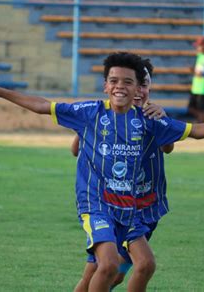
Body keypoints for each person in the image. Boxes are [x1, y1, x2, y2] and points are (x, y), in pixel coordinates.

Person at [0, 52, 204, 292]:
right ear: (106, 85)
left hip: (133, 208)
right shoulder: (90, 112)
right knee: (105, 267)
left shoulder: (150, 120)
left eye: (129, 82)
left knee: (143, 265)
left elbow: (195, 131)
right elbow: (43, 106)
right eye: (114, 81)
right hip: (97, 204)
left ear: (138, 89)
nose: (121, 86)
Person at [73, 60, 174, 291]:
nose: (139, 91)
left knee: (115, 275)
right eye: (136, 84)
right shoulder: (104, 117)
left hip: (146, 207)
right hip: (115, 205)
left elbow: (168, 147)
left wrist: (163, 118)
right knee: (103, 270)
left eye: (144, 85)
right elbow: (75, 149)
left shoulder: (152, 118)